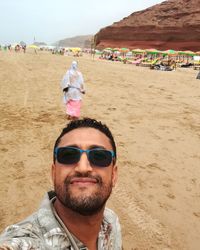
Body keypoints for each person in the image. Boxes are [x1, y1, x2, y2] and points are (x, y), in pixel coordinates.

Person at [0, 118, 122, 250]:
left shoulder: (111, 222)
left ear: (114, 175)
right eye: (68, 155)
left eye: (99, 156)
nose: (83, 167)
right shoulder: (22, 243)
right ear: (53, 173)